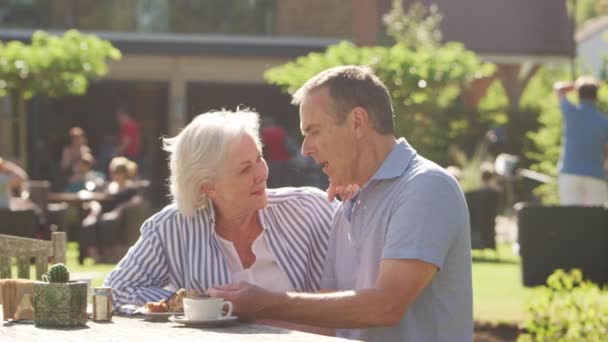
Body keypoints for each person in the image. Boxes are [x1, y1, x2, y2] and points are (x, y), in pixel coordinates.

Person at [208, 66, 473, 342]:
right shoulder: (349, 204)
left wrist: (264, 302)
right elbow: (330, 320)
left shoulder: (426, 187)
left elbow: (387, 306)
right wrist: (233, 324)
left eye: (314, 131)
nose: (305, 148)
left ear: (357, 122)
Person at [104, 110, 338, 315]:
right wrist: (196, 305)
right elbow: (116, 291)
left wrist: (357, 194)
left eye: (259, 158)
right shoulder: (172, 226)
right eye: (245, 169)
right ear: (208, 187)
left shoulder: (309, 207)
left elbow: (366, 243)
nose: (261, 173)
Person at [554, 76, 608, 206]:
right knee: (595, 220)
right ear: (596, 97)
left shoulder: (570, 112)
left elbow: (558, 88)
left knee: (571, 219)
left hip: (570, 174)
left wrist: (576, 85)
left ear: (578, 95)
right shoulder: (604, 121)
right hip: (596, 175)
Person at [79, 156, 140, 264]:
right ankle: (94, 256)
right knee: (89, 224)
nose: (113, 174)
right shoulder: (108, 186)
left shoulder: (131, 188)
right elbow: (97, 200)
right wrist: (94, 212)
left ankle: (109, 255)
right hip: (102, 215)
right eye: (112, 171)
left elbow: (137, 200)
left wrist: (119, 209)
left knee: (108, 222)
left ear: (124, 173)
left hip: (120, 218)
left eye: (116, 172)